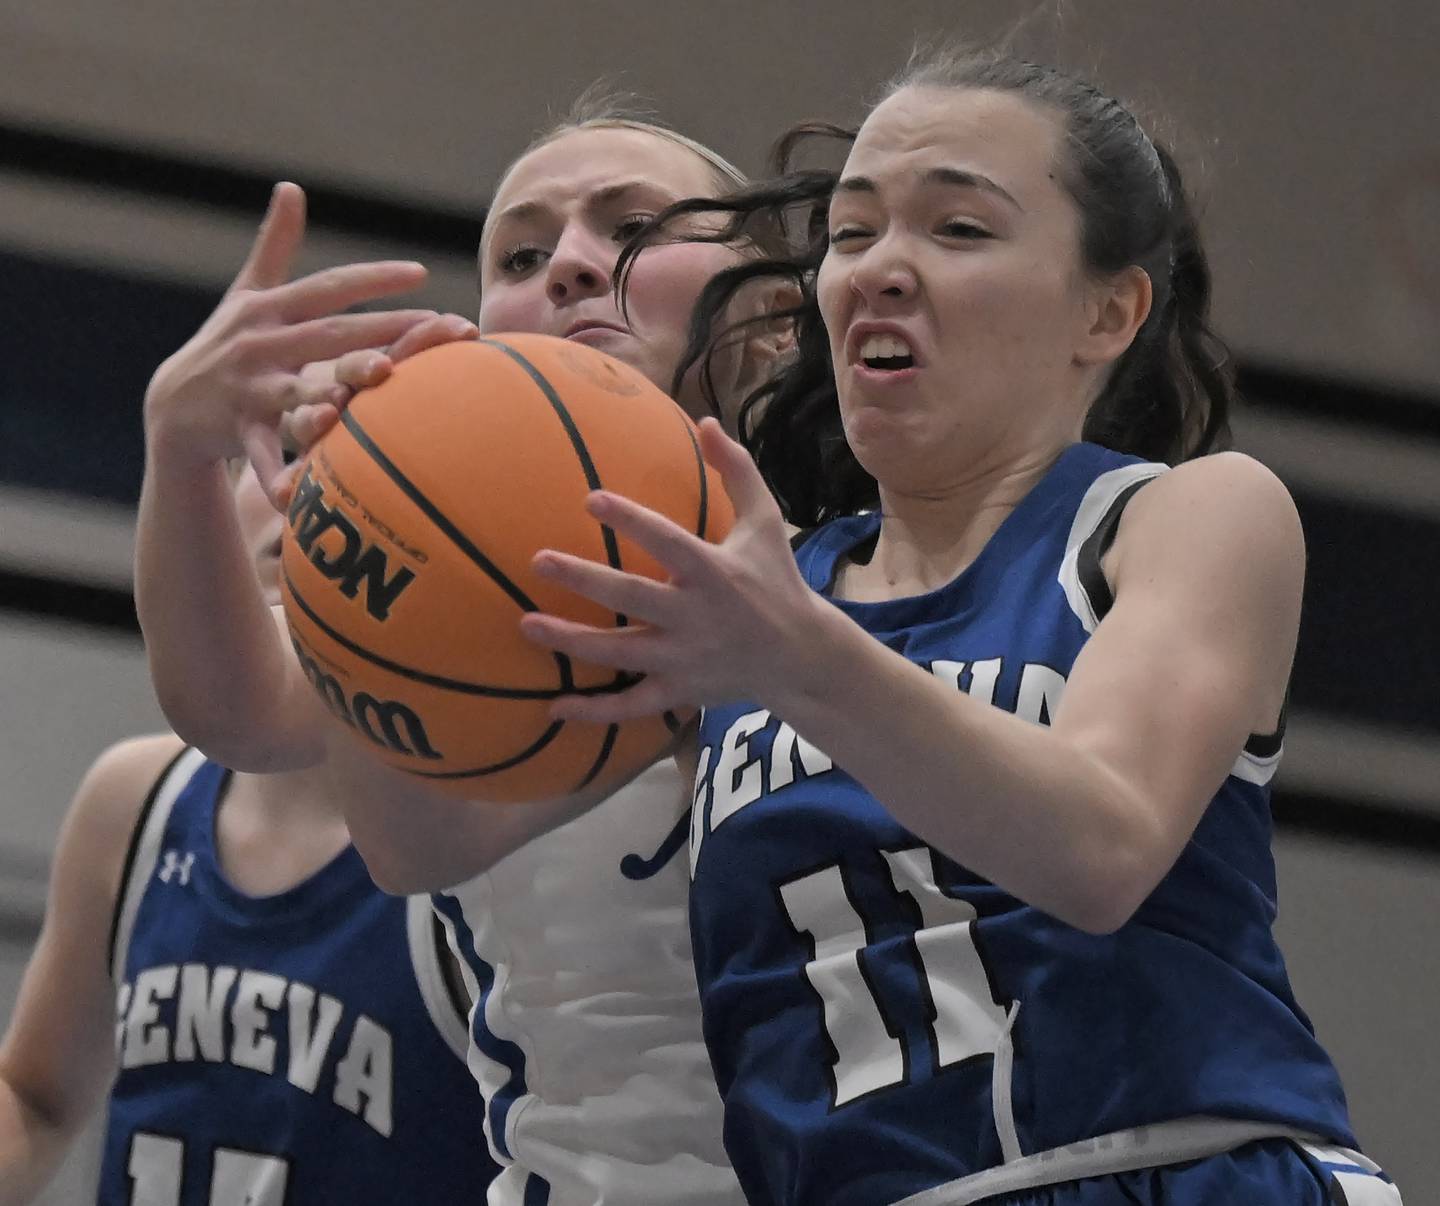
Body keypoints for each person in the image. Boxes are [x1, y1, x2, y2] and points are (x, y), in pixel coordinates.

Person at [516, 50, 1404, 1206]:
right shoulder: (758, 596)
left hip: (1176, 1172)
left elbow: (1100, 846)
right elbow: (409, 842)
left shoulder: (1184, 517)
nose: (882, 268)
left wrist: (803, 657)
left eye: (959, 230)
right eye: (851, 233)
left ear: (1108, 310)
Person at [133, 97, 789, 1206]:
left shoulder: (877, 565)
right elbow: (238, 714)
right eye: (524, 253)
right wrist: (183, 448)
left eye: (632, 226)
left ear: (777, 310)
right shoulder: (481, 592)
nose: (576, 265)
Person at [0, 462, 494, 1205]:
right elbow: (34, 1097)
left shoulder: (492, 846)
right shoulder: (136, 802)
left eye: (358, 453)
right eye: (281, 443)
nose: (305, 489)